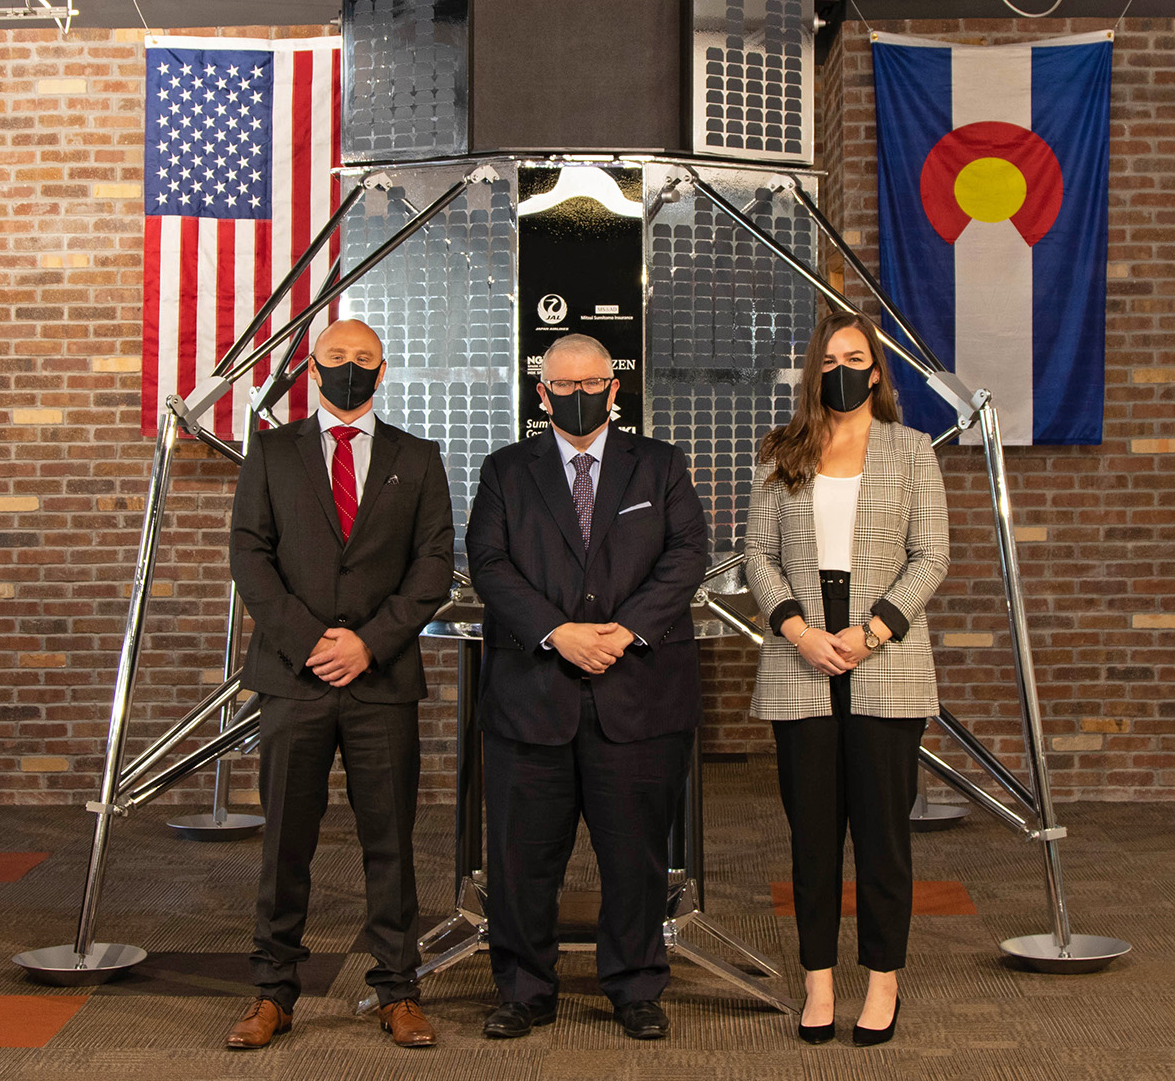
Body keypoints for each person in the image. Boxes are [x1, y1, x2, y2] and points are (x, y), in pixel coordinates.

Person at [466, 332, 708, 1041]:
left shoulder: (660, 465)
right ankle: (523, 988)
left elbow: (686, 552)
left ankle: (634, 985)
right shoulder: (506, 469)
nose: (577, 396)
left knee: (633, 856)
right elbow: (488, 561)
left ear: (615, 387)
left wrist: (623, 630)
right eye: (562, 386)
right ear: (540, 394)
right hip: (530, 695)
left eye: (590, 383)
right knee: (520, 859)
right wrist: (557, 631)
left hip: (635, 693)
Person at [226, 318, 454, 1050]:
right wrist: (309, 640)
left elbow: (432, 566)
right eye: (336, 358)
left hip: (380, 678)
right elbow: (250, 556)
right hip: (294, 678)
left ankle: (397, 990)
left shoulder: (417, 458)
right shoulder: (271, 451)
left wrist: (368, 642)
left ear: (382, 372)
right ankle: (272, 992)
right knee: (285, 841)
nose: (349, 368)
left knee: (388, 840)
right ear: (312, 370)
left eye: (363, 359)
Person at [744, 311, 949, 1048]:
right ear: (813, 369)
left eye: (853, 356)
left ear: (874, 370)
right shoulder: (781, 449)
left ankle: (883, 977)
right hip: (801, 654)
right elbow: (757, 556)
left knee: (882, 833)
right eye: (828, 357)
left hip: (883, 655)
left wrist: (867, 634)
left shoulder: (910, 448)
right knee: (812, 835)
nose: (840, 369)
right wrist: (799, 630)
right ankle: (818, 980)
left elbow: (929, 556)